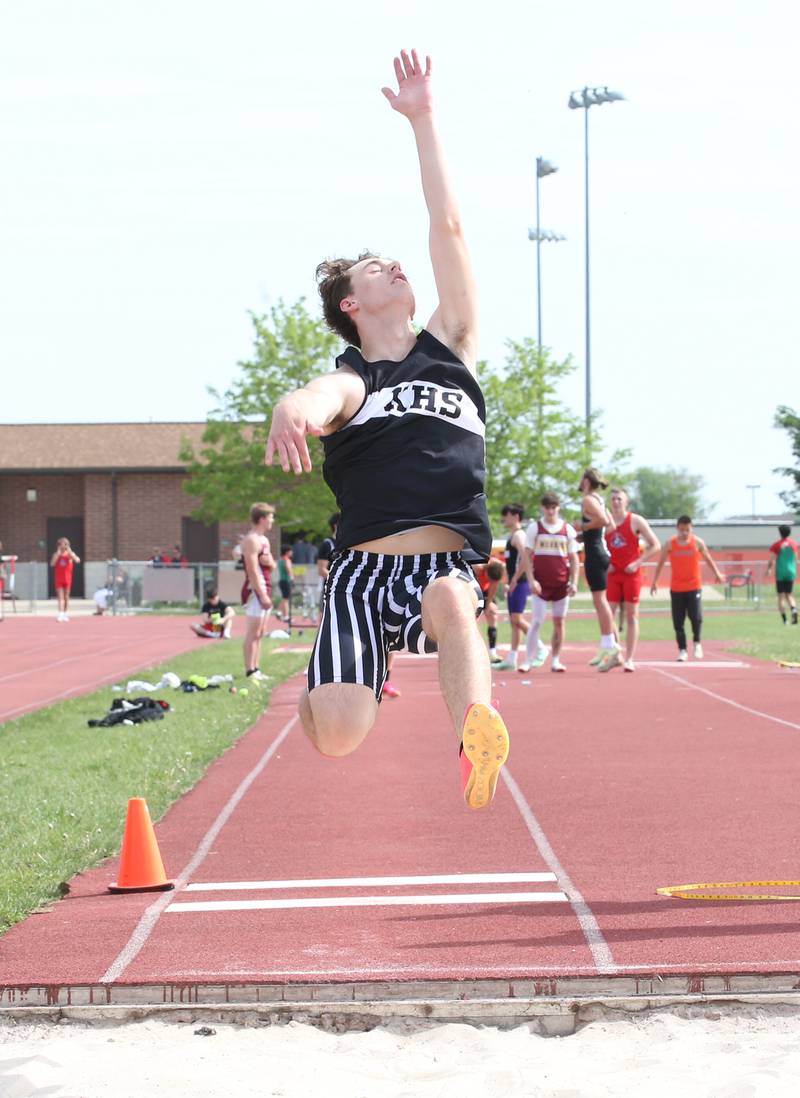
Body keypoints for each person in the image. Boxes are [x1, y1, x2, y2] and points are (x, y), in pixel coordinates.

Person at [265, 49, 509, 811]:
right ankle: (334, 679)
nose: (395, 266)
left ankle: (478, 731)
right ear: (350, 304)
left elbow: (450, 226)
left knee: (450, 595)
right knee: (336, 734)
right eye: (376, 267)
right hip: (362, 575)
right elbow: (318, 396)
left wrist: (423, 119)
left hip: (441, 561)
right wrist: (289, 410)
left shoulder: (452, 348)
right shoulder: (354, 378)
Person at [513, 492, 579, 673]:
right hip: (540, 584)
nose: (551, 511)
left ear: (558, 508)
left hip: (561, 584)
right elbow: (526, 555)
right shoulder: (535, 528)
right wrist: (532, 580)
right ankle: (528, 660)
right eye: (547, 507)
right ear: (543, 508)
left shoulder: (568, 530)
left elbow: (574, 558)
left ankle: (556, 660)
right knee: (536, 621)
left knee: (559, 622)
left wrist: (574, 582)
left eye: (554, 507)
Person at [650, 515, 725, 661]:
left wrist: (717, 573)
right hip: (677, 587)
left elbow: (708, 558)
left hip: (694, 586)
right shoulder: (670, 544)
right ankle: (682, 650)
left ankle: (697, 643)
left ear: (691, 528)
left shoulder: (697, 543)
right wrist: (655, 581)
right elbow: (660, 562)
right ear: (677, 528)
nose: (684, 533)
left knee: (696, 617)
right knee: (678, 620)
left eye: (687, 530)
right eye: (682, 530)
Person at [603, 487, 661, 672]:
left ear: (626, 501)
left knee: (631, 615)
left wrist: (637, 563)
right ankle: (616, 654)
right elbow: (595, 547)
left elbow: (655, 545)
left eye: (619, 499)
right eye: (613, 499)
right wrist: (606, 563)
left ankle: (629, 658)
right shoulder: (605, 522)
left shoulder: (635, 520)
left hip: (631, 574)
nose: (616, 502)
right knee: (608, 615)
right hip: (613, 574)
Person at [576, 469, 620, 671]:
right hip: (599, 550)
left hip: (595, 554)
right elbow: (609, 526)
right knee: (600, 601)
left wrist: (583, 528)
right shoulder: (598, 499)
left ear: (586, 481)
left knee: (601, 601)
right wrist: (587, 535)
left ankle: (611, 645)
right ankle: (606, 644)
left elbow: (603, 521)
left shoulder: (588, 500)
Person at [241, 503, 276, 680]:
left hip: (266, 587)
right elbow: (252, 569)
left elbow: (271, 565)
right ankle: (250, 670)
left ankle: (256, 668)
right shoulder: (251, 540)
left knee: (260, 632)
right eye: (270, 517)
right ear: (262, 519)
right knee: (253, 632)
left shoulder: (264, 540)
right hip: (255, 590)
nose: (272, 521)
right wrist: (261, 594)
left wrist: (270, 562)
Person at [493, 504, 530, 671]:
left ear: (515, 516)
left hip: (521, 582)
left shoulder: (519, 536)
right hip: (514, 582)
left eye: (506, 515)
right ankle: (512, 659)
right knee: (514, 623)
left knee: (516, 619)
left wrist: (515, 579)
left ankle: (539, 647)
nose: (504, 518)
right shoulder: (512, 536)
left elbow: (526, 557)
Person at [766, 524, 799, 625]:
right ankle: (793, 610)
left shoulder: (777, 545)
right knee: (789, 594)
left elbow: (772, 559)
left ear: (780, 533)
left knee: (781, 596)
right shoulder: (794, 544)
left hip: (781, 572)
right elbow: (795, 558)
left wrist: (769, 569)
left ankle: (785, 620)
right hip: (791, 571)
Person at [474, 558, 505, 664]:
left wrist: (488, 605)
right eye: (489, 579)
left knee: (492, 614)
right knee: (472, 622)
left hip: (485, 591)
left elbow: (493, 586)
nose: (490, 581)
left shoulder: (497, 570)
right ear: (486, 571)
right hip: (472, 589)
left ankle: (492, 653)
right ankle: (476, 652)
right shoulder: (477, 568)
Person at [51, 537, 80, 622]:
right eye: (61, 545)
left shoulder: (70, 554)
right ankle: (60, 614)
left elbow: (77, 560)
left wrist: (70, 552)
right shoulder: (56, 555)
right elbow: (52, 563)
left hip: (67, 579)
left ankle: (66, 613)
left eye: (65, 544)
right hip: (59, 579)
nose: (63, 546)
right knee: (60, 597)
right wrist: (58, 553)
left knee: (67, 597)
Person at [277, 545, 294, 621]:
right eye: (290, 551)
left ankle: (279, 612)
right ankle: (286, 616)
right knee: (286, 599)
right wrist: (292, 579)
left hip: (281, 580)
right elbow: (288, 570)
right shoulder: (287, 560)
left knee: (284, 598)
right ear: (287, 552)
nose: (292, 552)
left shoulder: (280, 560)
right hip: (286, 581)